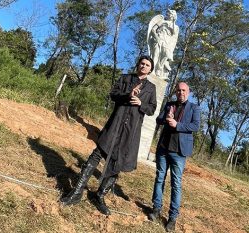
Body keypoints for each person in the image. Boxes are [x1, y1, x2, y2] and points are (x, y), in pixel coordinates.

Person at [60, 55, 157, 216]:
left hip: (130, 131)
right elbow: (113, 94)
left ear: (150, 69)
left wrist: (141, 104)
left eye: (147, 65)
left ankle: (99, 196)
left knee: (116, 163)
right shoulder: (126, 78)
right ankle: (77, 192)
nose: (144, 66)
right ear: (138, 65)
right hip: (115, 124)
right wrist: (128, 94)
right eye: (142, 63)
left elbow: (152, 109)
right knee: (96, 154)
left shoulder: (151, 88)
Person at [148, 82, 200, 231]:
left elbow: (195, 126)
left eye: (183, 90)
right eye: (178, 90)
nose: (181, 93)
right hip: (163, 149)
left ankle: (172, 217)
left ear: (188, 92)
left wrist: (177, 125)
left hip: (179, 152)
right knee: (159, 178)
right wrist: (166, 119)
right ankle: (156, 209)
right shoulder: (169, 104)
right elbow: (158, 120)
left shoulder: (194, 108)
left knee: (176, 184)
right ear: (176, 92)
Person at [147, 9, 179, 78]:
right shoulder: (162, 21)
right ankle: (152, 70)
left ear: (173, 16)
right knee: (155, 55)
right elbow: (153, 29)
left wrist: (173, 22)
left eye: (170, 14)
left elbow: (174, 34)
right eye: (168, 13)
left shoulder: (176, 27)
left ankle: (159, 68)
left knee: (166, 55)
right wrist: (157, 37)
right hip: (159, 39)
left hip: (167, 42)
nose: (168, 14)